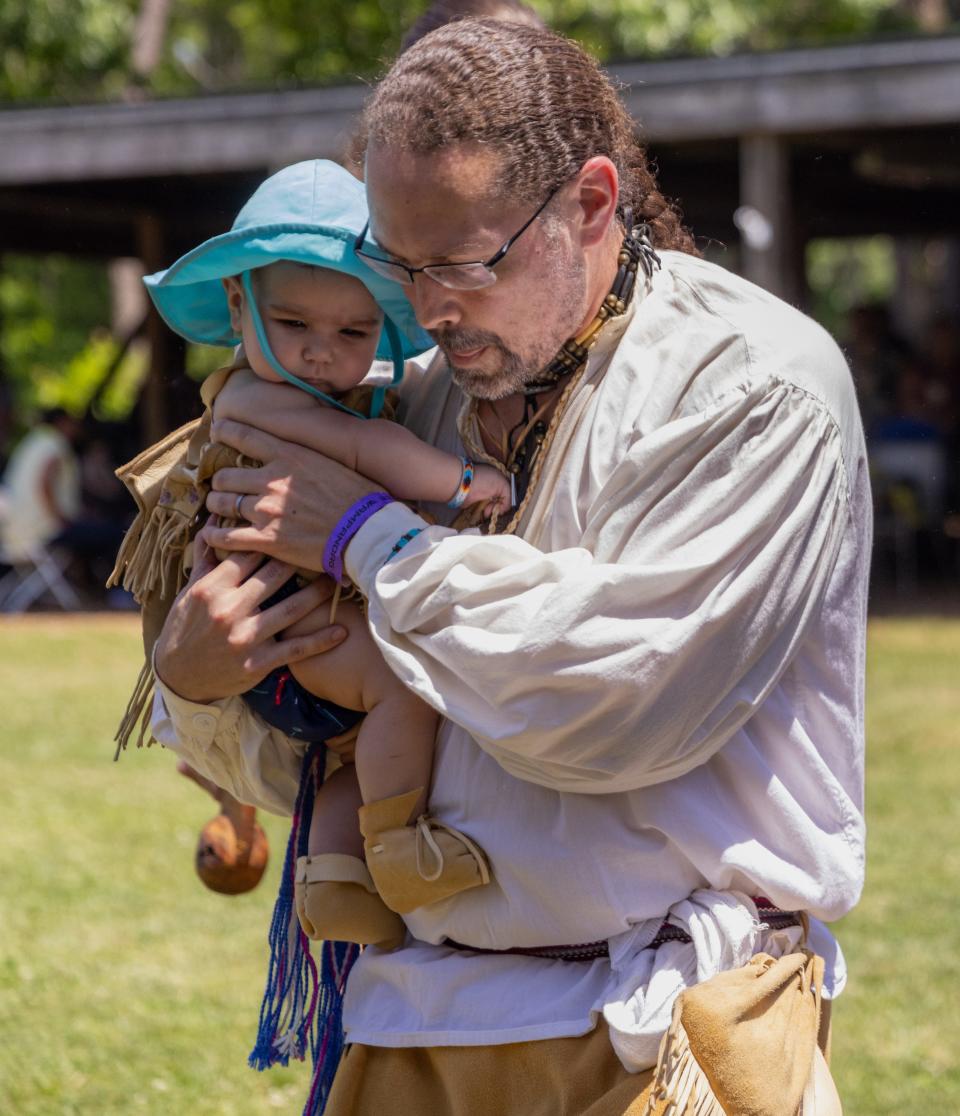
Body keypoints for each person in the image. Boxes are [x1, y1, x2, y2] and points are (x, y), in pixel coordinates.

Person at [151, 20, 869, 1115]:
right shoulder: (417, 397)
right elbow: (340, 738)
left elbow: (613, 706)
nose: (430, 308)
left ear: (590, 204)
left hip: (666, 1031)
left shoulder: (751, 388)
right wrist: (205, 679)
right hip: (410, 1023)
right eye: (400, 265)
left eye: (464, 263)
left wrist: (367, 540)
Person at [114, 159, 506, 946]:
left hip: (298, 654)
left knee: (347, 762)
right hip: (287, 644)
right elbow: (368, 445)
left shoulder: (313, 388)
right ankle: (400, 844)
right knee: (409, 689)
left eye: (354, 332)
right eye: (293, 326)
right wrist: (466, 478)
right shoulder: (253, 399)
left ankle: (333, 875)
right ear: (238, 304)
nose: (321, 354)